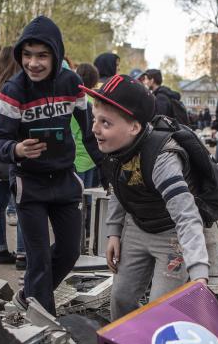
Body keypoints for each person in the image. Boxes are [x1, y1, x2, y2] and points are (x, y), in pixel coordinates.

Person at [0, 16, 102, 314]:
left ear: (56, 54)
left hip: (65, 181)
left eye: (42, 55)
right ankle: (44, 325)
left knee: (68, 252)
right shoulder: (12, 90)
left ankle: (29, 295)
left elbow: (91, 132)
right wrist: (16, 148)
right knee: (37, 259)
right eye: (27, 55)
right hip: (30, 184)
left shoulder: (72, 83)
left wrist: (110, 170)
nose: (33, 63)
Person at [88, 75, 210, 319]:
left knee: (161, 311)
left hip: (171, 234)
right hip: (137, 227)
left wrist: (199, 273)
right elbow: (120, 188)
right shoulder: (114, 148)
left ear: (134, 127)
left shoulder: (163, 159)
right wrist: (113, 232)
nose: (94, 129)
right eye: (95, 119)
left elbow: (187, 216)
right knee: (121, 299)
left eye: (105, 123)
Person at [0, 46, 26, 269]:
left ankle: (1, 250)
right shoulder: (17, 89)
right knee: (22, 203)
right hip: (15, 152)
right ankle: (22, 253)